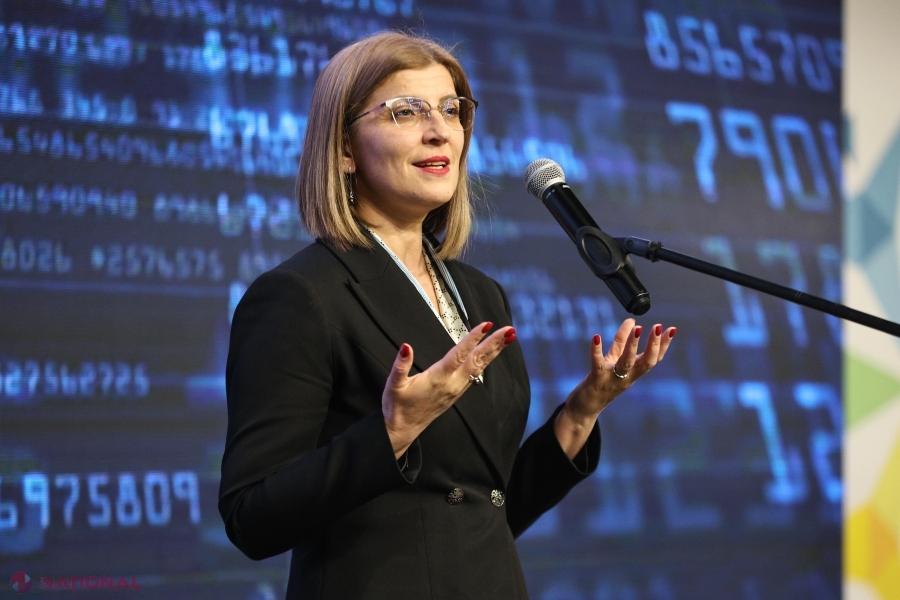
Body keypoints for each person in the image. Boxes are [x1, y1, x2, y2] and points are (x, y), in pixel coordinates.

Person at [218, 31, 676, 600]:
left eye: (451, 110)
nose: (439, 130)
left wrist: (581, 413)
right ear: (344, 149)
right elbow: (251, 517)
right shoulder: (300, 295)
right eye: (406, 111)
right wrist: (391, 433)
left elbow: (482, 507)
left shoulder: (480, 294)